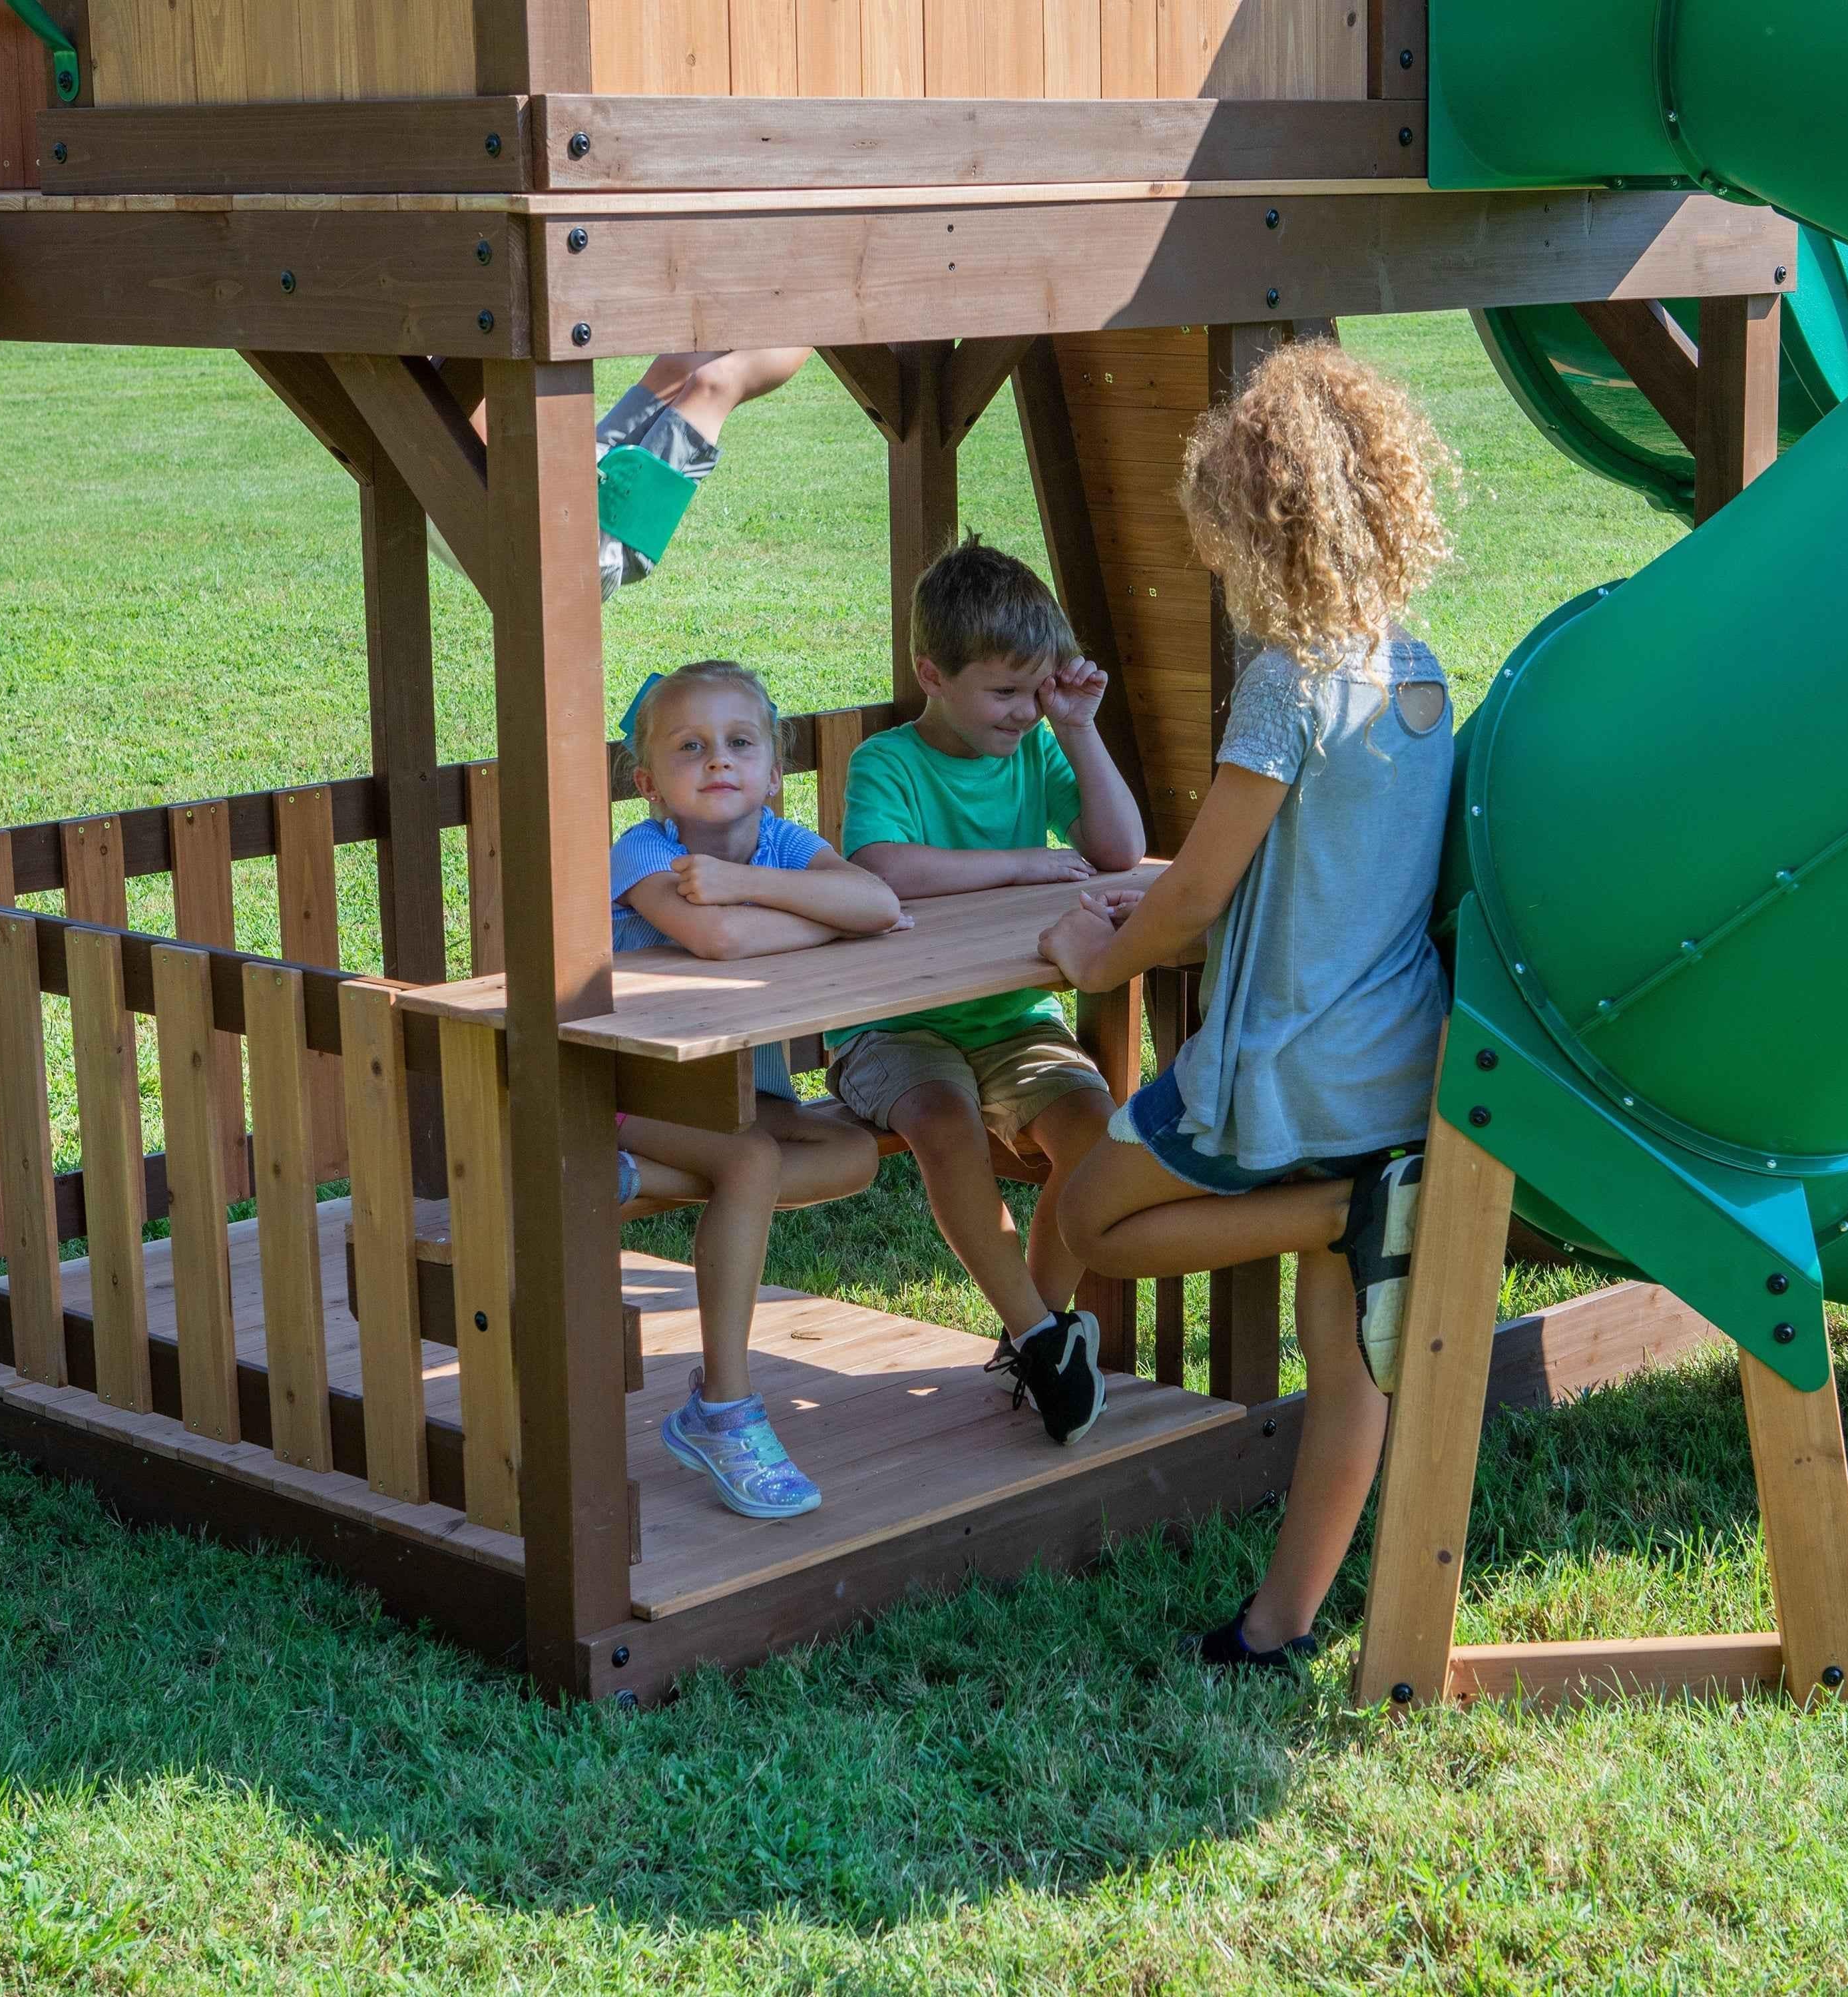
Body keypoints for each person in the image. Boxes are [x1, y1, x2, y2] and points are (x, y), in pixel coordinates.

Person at [1036, 338, 1457, 1669]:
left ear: (1254, 526)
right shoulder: (1418, 671)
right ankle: (1276, 1628)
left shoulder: (1288, 677)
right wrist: (1159, 887)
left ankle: (1332, 1211)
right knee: (1349, 1369)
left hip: (1286, 1067)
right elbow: (1315, 856)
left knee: (1091, 1217)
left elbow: (1199, 905)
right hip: (1397, 1062)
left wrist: (1098, 958)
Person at [831, 535, 1148, 1447]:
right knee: (940, 1118)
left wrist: (1079, 730)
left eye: (1036, 691)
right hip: (896, 1026)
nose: (1022, 713)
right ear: (932, 673)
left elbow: (1121, 849)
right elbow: (884, 869)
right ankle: (1045, 1337)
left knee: (1095, 1131)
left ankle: (1032, 1331)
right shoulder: (888, 763)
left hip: (1013, 1019)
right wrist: (1023, 865)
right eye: (1004, 693)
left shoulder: (1038, 750)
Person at [612, 658, 903, 1520]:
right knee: (746, 1164)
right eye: (690, 747)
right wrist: (820, 914)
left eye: (739, 743)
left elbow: (879, 902)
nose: (717, 761)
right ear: (649, 782)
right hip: (630, 1094)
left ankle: (632, 1177)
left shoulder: (779, 843)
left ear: (774, 772)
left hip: (742, 1096)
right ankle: (723, 1408)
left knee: (852, 1152)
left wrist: (750, 884)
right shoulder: (643, 851)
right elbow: (722, 940)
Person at [429, 347, 814, 598]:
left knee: (678, 365)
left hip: (560, 499)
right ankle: (822, 303)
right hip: (598, 544)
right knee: (715, 384)